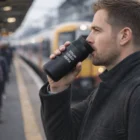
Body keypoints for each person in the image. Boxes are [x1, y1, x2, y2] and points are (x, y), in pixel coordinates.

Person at [39, 0, 140, 139]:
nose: (89, 39)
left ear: (124, 36)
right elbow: (64, 135)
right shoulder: (108, 86)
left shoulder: (136, 93)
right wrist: (58, 88)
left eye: (96, 30)